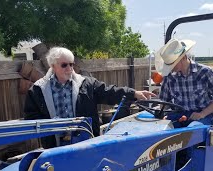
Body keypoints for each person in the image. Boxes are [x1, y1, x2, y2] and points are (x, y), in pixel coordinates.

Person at [24, 47, 155, 148]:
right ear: (52, 66)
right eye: (64, 65)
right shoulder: (38, 90)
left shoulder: (87, 84)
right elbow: (31, 119)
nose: (69, 68)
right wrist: (52, 125)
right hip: (55, 147)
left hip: (86, 143)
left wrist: (133, 93)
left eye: (71, 64)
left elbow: (109, 92)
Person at [155, 39, 213, 127]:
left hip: (202, 116)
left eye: (173, 65)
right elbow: (164, 101)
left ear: (183, 58)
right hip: (179, 115)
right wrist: (162, 115)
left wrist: (202, 114)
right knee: (161, 128)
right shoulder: (169, 77)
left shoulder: (204, 72)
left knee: (192, 131)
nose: (171, 68)